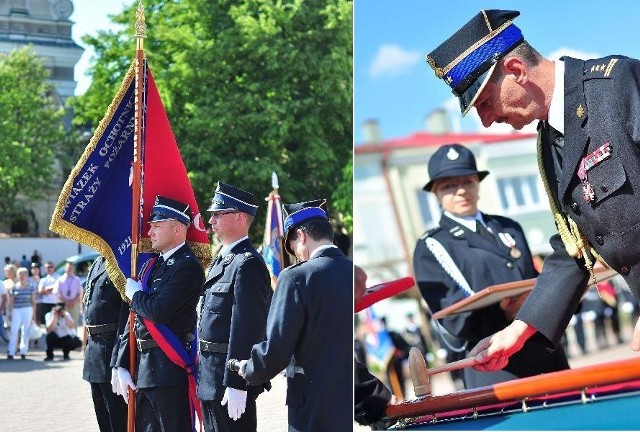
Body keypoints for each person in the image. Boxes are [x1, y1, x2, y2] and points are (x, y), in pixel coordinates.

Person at [427, 9, 640, 371]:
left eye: (485, 103)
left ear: (515, 71)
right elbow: (576, 247)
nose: (487, 120)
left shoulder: (617, 85)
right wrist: (517, 331)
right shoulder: (551, 141)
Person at [413, 143, 569, 388]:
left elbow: (534, 277)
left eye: (468, 182)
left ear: (478, 184)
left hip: (543, 352)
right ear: (435, 193)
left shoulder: (509, 227)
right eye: (449, 186)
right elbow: (452, 317)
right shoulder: (433, 246)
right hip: (494, 365)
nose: (461, 191)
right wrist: (504, 312)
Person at [236, 199, 353, 431]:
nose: (298, 257)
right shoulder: (352, 271)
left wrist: (248, 368)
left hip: (312, 405)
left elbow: (276, 350)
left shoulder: (296, 277)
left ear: (301, 235)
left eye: (294, 249)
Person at [112, 196, 205, 431]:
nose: (150, 232)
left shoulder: (188, 266)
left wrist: (136, 296)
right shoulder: (153, 266)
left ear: (177, 229)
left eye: (157, 226)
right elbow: (136, 319)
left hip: (169, 369)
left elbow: (157, 311)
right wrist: (121, 363)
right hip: (144, 369)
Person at [196, 181, 272, 432]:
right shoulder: (223, 260)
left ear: (239, 217)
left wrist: (238, 382)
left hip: (229, 379)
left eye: (218, 214)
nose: (212, 221)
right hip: (210, 376)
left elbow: (247, 327)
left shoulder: (248, 263)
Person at [82, 255, 128, 432]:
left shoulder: (120, 260)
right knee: (103, 417)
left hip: (111, 349)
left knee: (118, 419)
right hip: (94, 350)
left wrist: (120, 359)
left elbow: (125, 318)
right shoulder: (98, 262)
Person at [7, 267, 37, 360]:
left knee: (25, 330)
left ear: (27, 275)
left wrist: (34, 315)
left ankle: (23, 351)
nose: (22, 276)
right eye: (20, 274)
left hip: (28, 309)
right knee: (14, 330)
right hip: (16, 310)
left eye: (24, 274)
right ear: (17, 276)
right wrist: (10, 313)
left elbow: (33, 301)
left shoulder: (31, 287)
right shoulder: (14, 287)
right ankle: (11, 351)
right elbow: (11, 301)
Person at [37, 261, 60, 327]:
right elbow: (40, 291)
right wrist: (51, 288)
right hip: (45, 303)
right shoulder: (43, 279)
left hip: (56, 302)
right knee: (46, 323)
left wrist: (46, 289)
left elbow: (57, 288)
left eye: (51, 267)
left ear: (54, 268)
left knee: (57, 323)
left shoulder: (58, 277)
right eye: (47, 267)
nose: (49, 268)